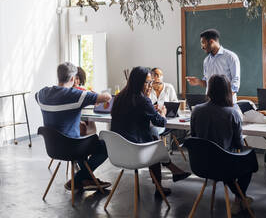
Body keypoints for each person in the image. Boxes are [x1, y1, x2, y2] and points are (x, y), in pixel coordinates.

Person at [110, 66, 190, 197]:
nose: (150, 86)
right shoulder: (142, 100)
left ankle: (171, 173)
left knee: (153, 136)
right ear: (138, 83)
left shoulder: (119, 97)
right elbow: (161, 122)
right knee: (154, 141)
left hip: (118, 152)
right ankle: (164, 180)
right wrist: (163, 113)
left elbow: (134, 114)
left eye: (151, 82)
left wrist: (149, 108)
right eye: (147, 82)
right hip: (135, 153)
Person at [36, 62, 112, 192]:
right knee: (105, 147)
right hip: (73, 148)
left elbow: (41, 100)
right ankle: (78, 179)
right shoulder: (75, 95)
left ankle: (87, 179)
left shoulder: (42, 94)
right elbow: (106, 98)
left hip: (53, 148)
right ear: (72, 79)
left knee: (80, 138)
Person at [191, 74, 252, 215]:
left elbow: (194, 137)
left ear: (209, 90)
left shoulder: (196, 110)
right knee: (249, 161)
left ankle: (238, 195)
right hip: (224, 167)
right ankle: (239, 198)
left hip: (200, 165)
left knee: (221, 158)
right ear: (227, 90)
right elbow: (238, 144)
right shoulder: (232, 113)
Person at [185, 29, 240, 97]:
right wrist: (198, 81)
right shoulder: (206, 60)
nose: (202, 47)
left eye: (203, 43)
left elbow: (236, 82)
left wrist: (226, 98)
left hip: (227, 103)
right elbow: (207, 83)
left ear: (211, 42)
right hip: (210, 102)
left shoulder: (231, 57)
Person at [73, 67, 96, 136]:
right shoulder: (82, 92)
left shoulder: (83, 91)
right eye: (73, 78)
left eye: (77, 78)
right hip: (78, 124)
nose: (74, 81)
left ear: (80, 80)